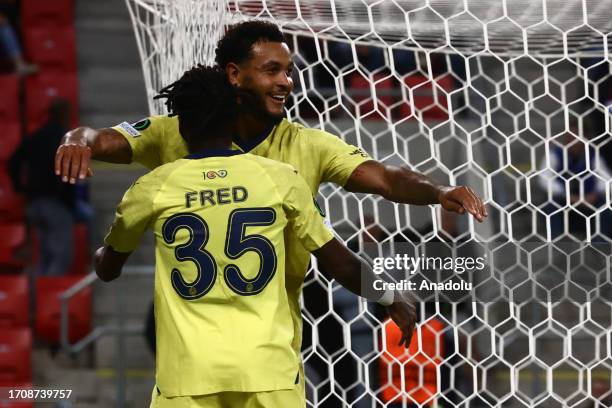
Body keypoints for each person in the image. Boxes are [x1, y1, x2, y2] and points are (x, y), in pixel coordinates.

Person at [56, 19, 486, 399]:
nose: (287, 82)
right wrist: (78, 139)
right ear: (234, 75)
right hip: (240, 343)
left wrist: (438, 190)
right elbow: (103, 138)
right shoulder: (178, 133)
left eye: (290, 71)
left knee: (338, 356)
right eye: (272, 70)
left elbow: (387, 178)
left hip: (269, 321)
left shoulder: (304, 143)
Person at [95, 66, 416, 407]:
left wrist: (102, 255)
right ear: (235, 115)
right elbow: (340, 263)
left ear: (181, 124)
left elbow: (108, 269)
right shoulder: (280, 178)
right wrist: (390, 296)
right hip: (268, 371)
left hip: (188, 374)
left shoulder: (152, 187)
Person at [9, 99, 74, 276]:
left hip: (34, 204)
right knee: (60, 257)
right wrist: (69, 201)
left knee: (43, 256)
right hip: (55, 203)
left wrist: (20, 188)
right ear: (62, 115)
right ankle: (51, 298)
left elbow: (13, 162)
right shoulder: (63, 138)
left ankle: (39, 297)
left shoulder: (35, 137)